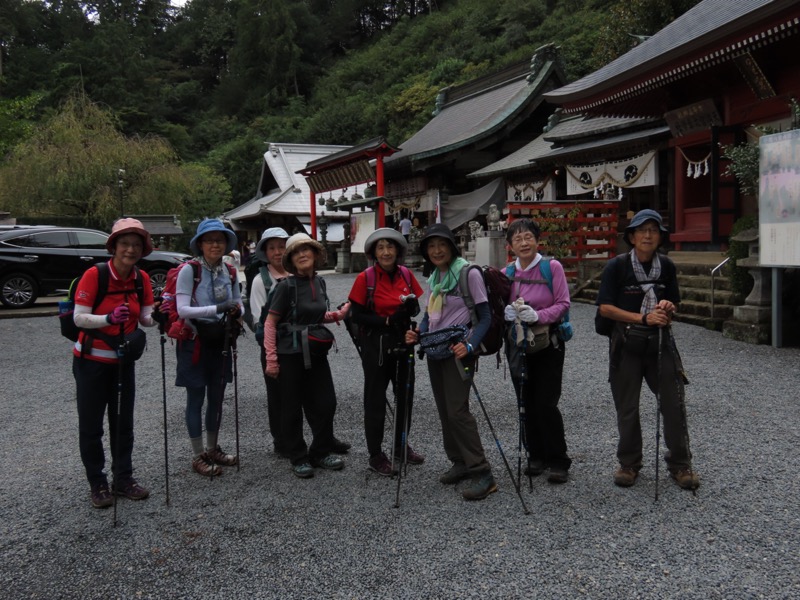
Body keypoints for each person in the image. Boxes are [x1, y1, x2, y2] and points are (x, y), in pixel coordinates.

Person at [596, 209, 699, 490]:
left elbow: (674, 301)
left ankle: (680, 463)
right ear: (631, 236)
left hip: (660, 342)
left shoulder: (666, 266)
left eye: (653, 230)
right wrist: (642, 318)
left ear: (660, 237)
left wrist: (667, 307)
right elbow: (605, 307)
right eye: (642, 230)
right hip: (626, 343)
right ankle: (629, 463)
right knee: (627, 406)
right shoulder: (616, 267)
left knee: (673, 404)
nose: (648, 235)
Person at [404, 223, 496, 501]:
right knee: (445, 410)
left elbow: (486, 315)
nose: (436, 250)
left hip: (459, 352)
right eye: (430, 246)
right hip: (436, 351)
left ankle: (483, 472)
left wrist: (469, 344)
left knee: (458, 410)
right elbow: (431, 315)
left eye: (441, 244)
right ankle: (459, 461)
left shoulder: (468, 273)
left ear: (451, 246)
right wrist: (419, 331)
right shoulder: (435, 277)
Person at [72, 218, 156, 508]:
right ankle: (97, 482)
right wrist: (107, 319)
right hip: (91, 362)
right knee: (91, 425)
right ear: (114, 246)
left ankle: (123, 478)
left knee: (123, 424)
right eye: (125, 244)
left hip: (123, 362)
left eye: (136, 245)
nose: (130, 250)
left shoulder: (141, 279)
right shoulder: (95, 275)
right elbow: (79, 317)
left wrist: (161, 316)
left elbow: (145, 317)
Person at [263, 233, 351, 478]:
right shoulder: (285, 286)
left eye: (307, 250)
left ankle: (320, 451)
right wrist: (271, 359)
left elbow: (313, 315)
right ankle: (298, 456)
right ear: (291, 259)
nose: (302, 255)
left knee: (326, 402)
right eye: (296, 252)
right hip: (289, 353)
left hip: (315, 351)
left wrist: (335, 316)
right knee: (291, 406)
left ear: (315, 255)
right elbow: (271, 323)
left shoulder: (319, 283)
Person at [348, 228, 425, 476]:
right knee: (375, 399)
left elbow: (414, 308)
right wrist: (387, 322)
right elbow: (356, 314)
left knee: (405, 396)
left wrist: (411, 309)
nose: (386, 252)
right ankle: (375, 454)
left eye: (390, 247)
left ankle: (400, 445)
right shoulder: (366, 278)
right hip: (376, 345)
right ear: (373, 253)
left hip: (403, 341)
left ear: (398, 251)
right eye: (380, 248)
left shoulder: (406, 274)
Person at [503, 219, 572, 484]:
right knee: (525, 401)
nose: (524, 242)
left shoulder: (551, 267)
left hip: (548, 342)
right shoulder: (507, 272)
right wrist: (507, 312)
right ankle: (535, 454)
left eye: (528, 237)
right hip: (519, 345)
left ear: (537, 240)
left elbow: (563, 303)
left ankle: (558, 459)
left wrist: (538, 315)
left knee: (546, 402)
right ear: (510, 245)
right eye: (518, 239)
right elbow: (498, 304)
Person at [175, 218, 243, 478]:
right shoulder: (190, 271)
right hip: (194, 340)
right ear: (200, 244)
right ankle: (197, 454)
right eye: (210, 240)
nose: (215, 244)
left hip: (221, 339)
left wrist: (238, 309)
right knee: (196, 397)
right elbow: (182, 310)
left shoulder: (231, 271)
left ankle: (213, 449)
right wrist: (218, 308)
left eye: (220, 240)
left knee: (217, 397)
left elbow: (238, 301)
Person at [250, 227, 291, 456]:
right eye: (272, 248)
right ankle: (280, 440)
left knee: (298, 393)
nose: (278, 252)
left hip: (297, 344)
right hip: (272, 345)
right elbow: (259, 319)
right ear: (265, 252)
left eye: (282, 246)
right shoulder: (260, 281)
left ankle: (300, 437)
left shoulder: (298, 274)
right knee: (276, 396)